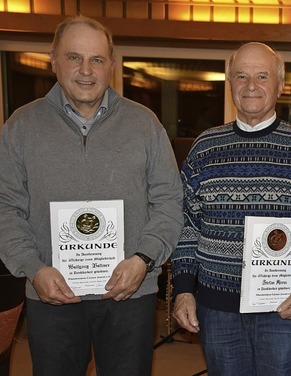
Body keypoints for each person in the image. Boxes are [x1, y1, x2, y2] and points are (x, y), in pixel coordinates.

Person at [0, 15, 184, 376]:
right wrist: (33, 269)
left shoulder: (145, 124)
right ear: (53, 61)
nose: (86, 70)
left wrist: (144, 260)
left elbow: (169, 202)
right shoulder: (20, 127)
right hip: (51, 294)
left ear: (111, 66)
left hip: (130, 290)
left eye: (97, 59)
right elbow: (5, 209)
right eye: (74, 57)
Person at [170, 42, 291, 375]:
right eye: (241, 75)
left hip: (286, 308)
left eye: (262, 76)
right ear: (230, 83)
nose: (251, 85)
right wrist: (183, 290)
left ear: (280, 85)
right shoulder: (205, 147)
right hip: (217, 309)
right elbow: (186, 225)